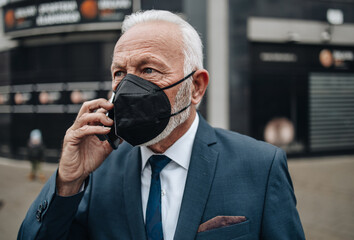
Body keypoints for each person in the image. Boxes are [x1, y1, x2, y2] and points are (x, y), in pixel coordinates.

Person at [18, 10, 305, 240]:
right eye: (120, 73)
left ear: (196, 87)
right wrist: (68, 182)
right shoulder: (97, 171)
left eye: (149, 70)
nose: (129, 86)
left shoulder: (260, 166)